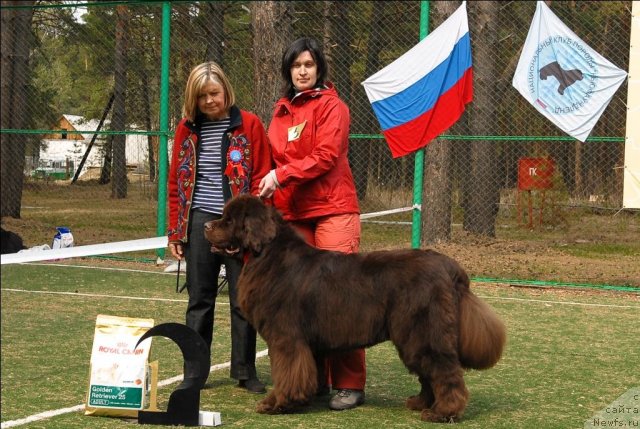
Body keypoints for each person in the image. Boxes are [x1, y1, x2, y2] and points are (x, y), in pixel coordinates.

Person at [258, 37, 366, 411]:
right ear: (288, 71)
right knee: (298, 303)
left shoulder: (333, 107)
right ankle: (311, 381)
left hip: (333, 209)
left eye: (308, 64)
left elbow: (325, 156)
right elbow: (272, 158)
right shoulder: (280, 112)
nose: (302, 71)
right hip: (293, 215)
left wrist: (282, 174)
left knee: (341, 297)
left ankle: (349, 383)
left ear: (319, 68)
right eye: (296, 65)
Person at [168, 61, 271, 394]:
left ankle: (244, 369)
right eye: (202, 96)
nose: (210, 101)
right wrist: (175, 232)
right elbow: (176, 183)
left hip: (238, 225)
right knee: (200, 299)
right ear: (193, 99)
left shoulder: (250, 124)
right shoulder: (186, 128)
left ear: (226, 90)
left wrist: (253, 226)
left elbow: (261, 174)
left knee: (244, 299)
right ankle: (195, 372)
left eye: (214, 93)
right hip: (200, 220)